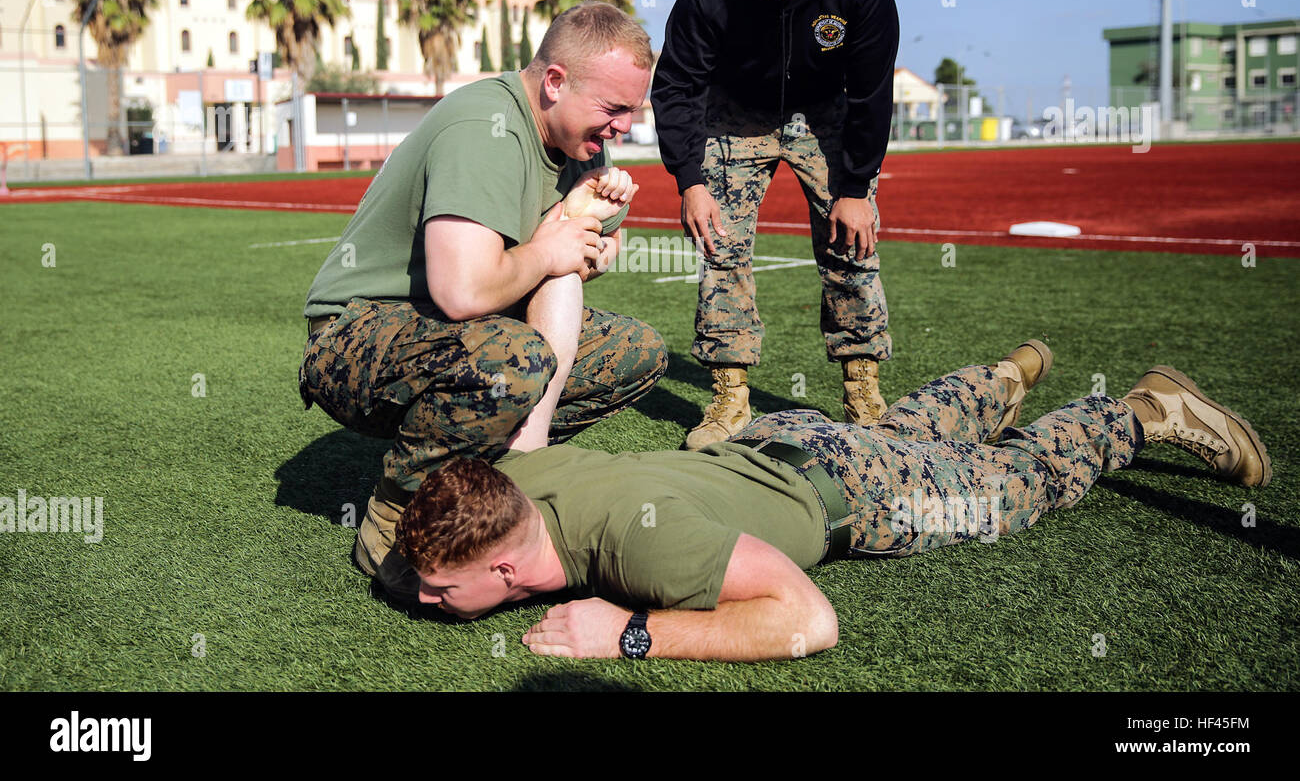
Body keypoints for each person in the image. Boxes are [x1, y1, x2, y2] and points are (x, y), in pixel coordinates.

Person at [393, 340, 1271, 661]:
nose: (422, 598)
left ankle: (1143, 411)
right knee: (902, 432)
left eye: (441, 589)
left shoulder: (639, 548)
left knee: (1012, 490)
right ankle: (996, 380)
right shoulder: (509, 486)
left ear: (506, 566)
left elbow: (806, 620)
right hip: (796, 440)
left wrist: (629, 633)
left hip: (856, 492)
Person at [298, 2, 668, 597]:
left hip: (447, 329)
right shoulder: (485, 126)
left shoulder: (580, 144)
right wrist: (554, 250)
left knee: (635, 350)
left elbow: (546, 270)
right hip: (355, 334)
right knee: (513, 360)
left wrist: (579, 255)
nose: (623, 127)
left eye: (632, 110)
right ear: (554, 82)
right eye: (613, 109)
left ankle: (500, 468)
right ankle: (398, 511)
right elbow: (463, 290)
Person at [651, 0, 900, 448]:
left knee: (850, 243)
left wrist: (856, 189)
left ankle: (862, 389)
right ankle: (729, 397)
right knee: (720, 245)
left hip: (825, 112)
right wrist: (689, 179)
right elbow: (678, 85)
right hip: (737, 111)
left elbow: (871, 93)